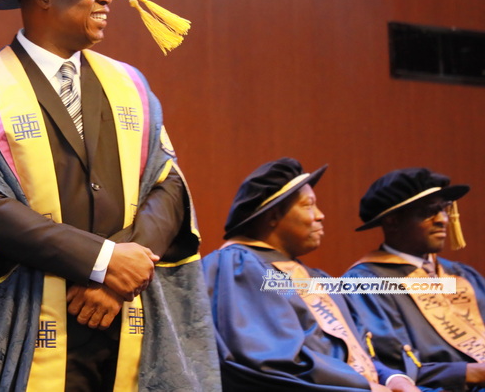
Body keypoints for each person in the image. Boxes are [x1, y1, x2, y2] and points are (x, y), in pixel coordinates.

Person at [0, 0, 219, 392]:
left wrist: (122, 272)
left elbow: (167, 185)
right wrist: (103, 262)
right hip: (38, 314)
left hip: (128, 308)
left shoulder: (129, 83)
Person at [201, 157, 419, 391]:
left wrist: (392, 378)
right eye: (308, 205)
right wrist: (364, 387)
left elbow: (357, 354)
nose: (320, 215)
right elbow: (271, 361)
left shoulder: (317, 279)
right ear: (273, 216)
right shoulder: (239, 265)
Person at [345, 167, 485, 391]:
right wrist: (469, 372)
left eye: (444, 209)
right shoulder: (365, 283)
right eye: (429, 211)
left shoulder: (462, 275)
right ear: (392, 221)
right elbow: (388, 367)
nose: (442, 220)